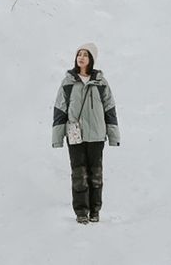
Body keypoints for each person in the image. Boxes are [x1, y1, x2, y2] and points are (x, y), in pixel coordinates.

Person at [52, 43, 120, 224]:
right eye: (78, 54)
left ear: (91, 59)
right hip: (75, 136)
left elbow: (110, 109)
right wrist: (57, 137)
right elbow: (60, 109)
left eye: (85, 55)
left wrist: (114, 136)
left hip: (97, 135)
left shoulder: (101, 82)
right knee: (79, 174)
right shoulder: (68, 82)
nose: (81, 57)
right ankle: (81, 211)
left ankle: (95, 210)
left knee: (95, 174)